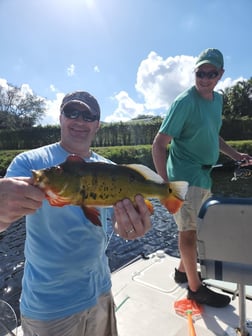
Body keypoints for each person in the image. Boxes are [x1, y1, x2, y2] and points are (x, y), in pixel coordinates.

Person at [3, 90, 152, 336]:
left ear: (97, 125)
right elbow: (4, 215)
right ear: (60, 118)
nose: (80, 120)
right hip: (50, 306)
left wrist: (130, 227)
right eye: (72, 112)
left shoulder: (111, 170)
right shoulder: (30, 163)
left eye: (88, 115)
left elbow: (114, 223)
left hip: (101, 290)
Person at [152, 48, 252, 308]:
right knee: (189, 231)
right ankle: (195, 290)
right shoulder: (184, 102)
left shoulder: (217, 100)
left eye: (211, 73)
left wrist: (235, 154)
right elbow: (159, 144)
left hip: (204, 174)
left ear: (220, 75)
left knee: (196, 227)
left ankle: (182, 271)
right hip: (184, 177)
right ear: (195, 72)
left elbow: (213, 135)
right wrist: (166, 185)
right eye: (201, 72)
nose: (205, 78)